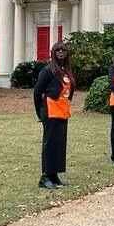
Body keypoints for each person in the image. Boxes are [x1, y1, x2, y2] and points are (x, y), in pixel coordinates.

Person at [33, 41, 75, 189]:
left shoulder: (65, 70)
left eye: (64, 50)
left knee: (59, 143)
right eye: (58, 50)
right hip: (50, 109)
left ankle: (54, 174)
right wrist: (39, 112)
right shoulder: (47, 70)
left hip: (62, 110)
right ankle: (45, 177)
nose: (61, 52)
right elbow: (37, 91)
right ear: (53, 53)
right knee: (49, 143)